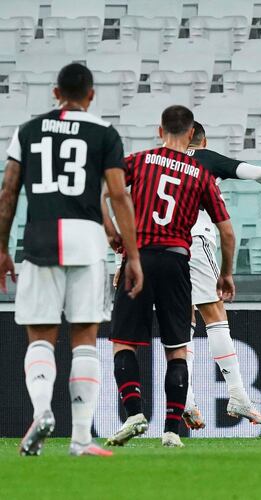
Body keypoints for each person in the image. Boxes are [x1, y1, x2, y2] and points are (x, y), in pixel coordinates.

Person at [0, 63, 143, 457]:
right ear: (91, 95)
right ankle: (81, 438)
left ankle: (43, 411)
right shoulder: (104, 133)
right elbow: (118, 195)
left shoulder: (27, 131)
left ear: (54, 92)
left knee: (40, 337)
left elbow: (9, 192)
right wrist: (132, 254)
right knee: (85, 340)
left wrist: (1, 249)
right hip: (87, 240)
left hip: (40, 238)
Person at [103, 106, 234, 448]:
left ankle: (133, 412)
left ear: (160, 130)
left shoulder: (140, 160)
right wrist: (227, 274)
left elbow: (104, 189)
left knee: (123, 342)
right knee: (176, 350)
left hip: (140, 259)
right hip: (177, 262)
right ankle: (173, 431)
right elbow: (227, 232)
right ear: (192, 135)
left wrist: (111, 231)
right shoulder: (200, 173)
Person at [179, 122, 261, 430]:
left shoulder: (161, 163)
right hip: (195, 241)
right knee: (215, 314)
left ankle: (185, 397)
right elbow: (258, 173)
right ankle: (236, 395)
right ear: (202, 140)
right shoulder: (208, 159)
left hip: (161, 246)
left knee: (182, 321)